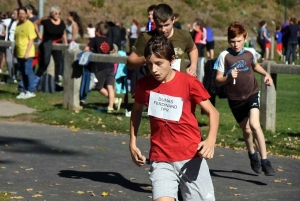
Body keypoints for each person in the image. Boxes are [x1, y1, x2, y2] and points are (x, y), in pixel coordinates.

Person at [129, 35, 219, 201]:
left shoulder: (189, 82)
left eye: (159, 63)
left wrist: (210, 141)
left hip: (190, 156)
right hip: (160, 157)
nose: (154, 69)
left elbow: (213, 112)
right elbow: (136, 111)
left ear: (172, 60)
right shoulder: (144, 85)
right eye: (149, 64)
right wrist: (132, 143)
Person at [214, 21, 275, 176]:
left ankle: (265, 160)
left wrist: (266, 74)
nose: (236, 44)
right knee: (246, 129)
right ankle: (252, 154)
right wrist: (228, 77)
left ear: (245, 38)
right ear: (229, 40)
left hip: (252, 93)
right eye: (233, 41)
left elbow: (255, 65)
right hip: (235, 99)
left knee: (255, 125)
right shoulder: (224, 56)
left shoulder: (250, 52)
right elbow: (217, 79)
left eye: (239, 41)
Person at [84, 22, 122, 113]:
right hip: (110, 65)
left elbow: (86, 49)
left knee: (98, 86)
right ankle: (110, 107)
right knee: (110, 86)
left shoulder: (95, 40)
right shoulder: (109, 40)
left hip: (100, 67)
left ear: (97, 31)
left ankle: (115, 100)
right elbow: (112, 50)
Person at [34, 6, 67, 90]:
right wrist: (38, 34)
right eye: (55, 13)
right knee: (44, 63)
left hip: (58, 44)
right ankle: (35, 82)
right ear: (51, 14)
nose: (57, 15)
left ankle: (55, 82)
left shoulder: (62, 22)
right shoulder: (46, 20)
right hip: (47, 43)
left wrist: (66, 44)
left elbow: (63, 34)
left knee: (58, 63)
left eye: (59, 13)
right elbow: (35, 23)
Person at [15, 7, 37, 99]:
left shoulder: (29, 25)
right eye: (19, 13)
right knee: (23, 72)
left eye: (23, 13)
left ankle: (31, 90)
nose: (21, 15)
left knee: (28, 71)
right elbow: (17, 39)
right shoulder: (18, 25)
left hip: (27, 53)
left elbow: (31, 39)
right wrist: (15, 51)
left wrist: (27, 52)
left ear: (26, 14)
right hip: (19, 52)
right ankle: (24, 90)